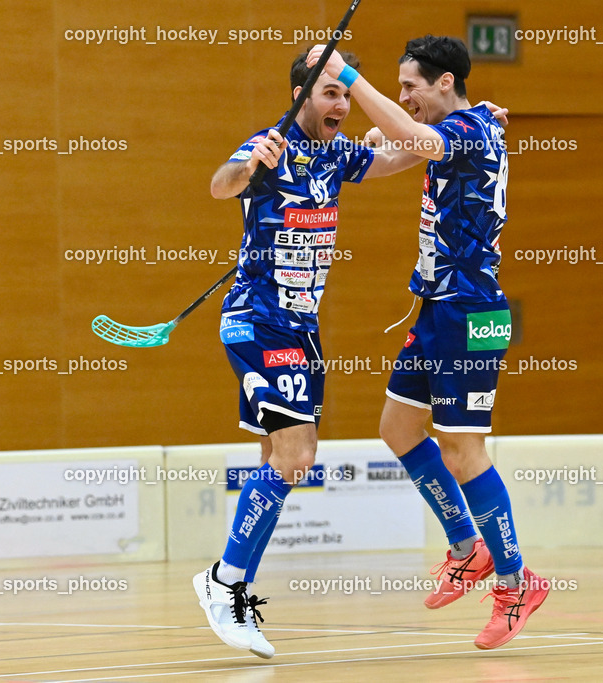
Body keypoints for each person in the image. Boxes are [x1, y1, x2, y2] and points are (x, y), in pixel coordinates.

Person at [307, 36, 548, 651]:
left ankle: (518, 583)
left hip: (470, 312)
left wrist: (347, 77)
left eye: (410, 85)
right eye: (399, 85)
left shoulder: (466, 128)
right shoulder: (464, 125)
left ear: (445, 83)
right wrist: (371, 139)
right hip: (439, 308)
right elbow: (408, 143)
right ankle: (468, 549)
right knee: (397, 428)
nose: (404, 96)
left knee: (465, 451)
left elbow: (421, 141)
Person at [192, 51, 431, 660]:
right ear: (300, 95)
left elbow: (409, 154)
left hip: (303, 330)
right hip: (258, 322)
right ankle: (226, 583)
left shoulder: (336, 154)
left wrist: (464, 125)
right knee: (297, 456)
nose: (341, 106)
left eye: (345, 96)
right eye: (329, 94)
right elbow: (220, 184)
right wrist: (251, 164)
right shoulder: (269, 145)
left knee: (279, 454)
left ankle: (227, 578)